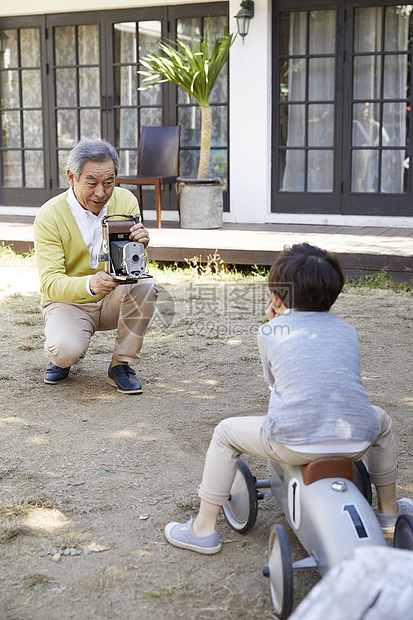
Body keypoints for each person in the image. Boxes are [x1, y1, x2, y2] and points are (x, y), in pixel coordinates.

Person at [164, 243, 413, 554]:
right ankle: (389, 511)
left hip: (293, 442)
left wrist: (272, 324)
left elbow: (274, 381)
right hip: (356, 440)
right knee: (383, 420)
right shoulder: (347, 330)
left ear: (277, 296)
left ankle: (202, 529)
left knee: (225, 433)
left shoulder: (271, 330)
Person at [33, 139, 157, 394]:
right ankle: (63, 358)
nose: (101, 193)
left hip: (114, 296)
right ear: (72, 177)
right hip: (68, 302)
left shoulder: (126, 201)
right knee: (64, 351)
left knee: (146, 285)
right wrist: (90, 283)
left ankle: (121, 364)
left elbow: (132, 261)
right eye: (91, 183)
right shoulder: (50, 215)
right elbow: (50, 283)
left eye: (108, 182)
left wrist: (141, 244)